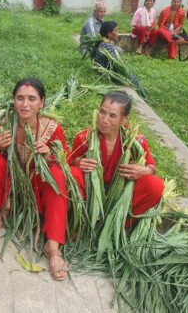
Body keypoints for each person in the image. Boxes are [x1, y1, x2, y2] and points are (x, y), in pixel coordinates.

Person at [0, 78, 70, 281]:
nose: (25, 104)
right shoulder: (4, 124)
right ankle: (3, 207)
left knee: (56, 175)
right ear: (14, 100)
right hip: (10, 186)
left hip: (36, 189)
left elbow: (66, 162)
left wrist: (49, 156)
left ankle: (52, 247)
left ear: (42, 103)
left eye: (31, 98)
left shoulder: (52, 129)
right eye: (20, 98)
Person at [69, 91, 164, 227]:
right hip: (91, 195)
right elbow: (68, 163)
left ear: (124, 119)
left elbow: (151, 167)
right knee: (71, 175)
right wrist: (78, 163)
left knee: (155, 186)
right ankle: (82, 221)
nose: (104, 119)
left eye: (112, 115)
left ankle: (118, 225)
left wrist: (146, 171)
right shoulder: (85, 138)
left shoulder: (136, 142)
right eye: (102, 112)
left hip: (121, 196)